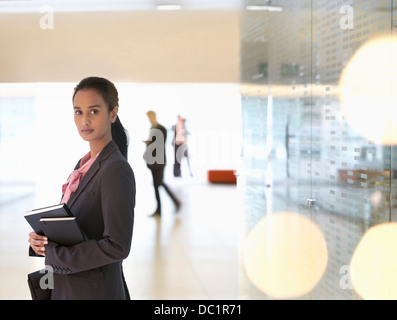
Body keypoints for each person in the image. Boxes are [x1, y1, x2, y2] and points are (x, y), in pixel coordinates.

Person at [28, 76, 136, 300]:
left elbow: (117, 245)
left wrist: (56, 254)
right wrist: (43, 240)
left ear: (113, 114)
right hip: (70, 288)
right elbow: (78, 225)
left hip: (94, 292)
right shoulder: (84, 164)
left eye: (94, 111)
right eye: (78, 112)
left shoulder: (115, 168)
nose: (85, 120)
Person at [143, 110, 180, 217]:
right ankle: (159, 210)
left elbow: (159, 144)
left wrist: (150, 143)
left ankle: (176, 202)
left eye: (150, 117)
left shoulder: (161, 128)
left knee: (159, 183)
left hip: (159, 161)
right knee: (156, 185)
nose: (149, 119)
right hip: (153, 161)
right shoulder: (152, 128)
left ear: (154, 116)